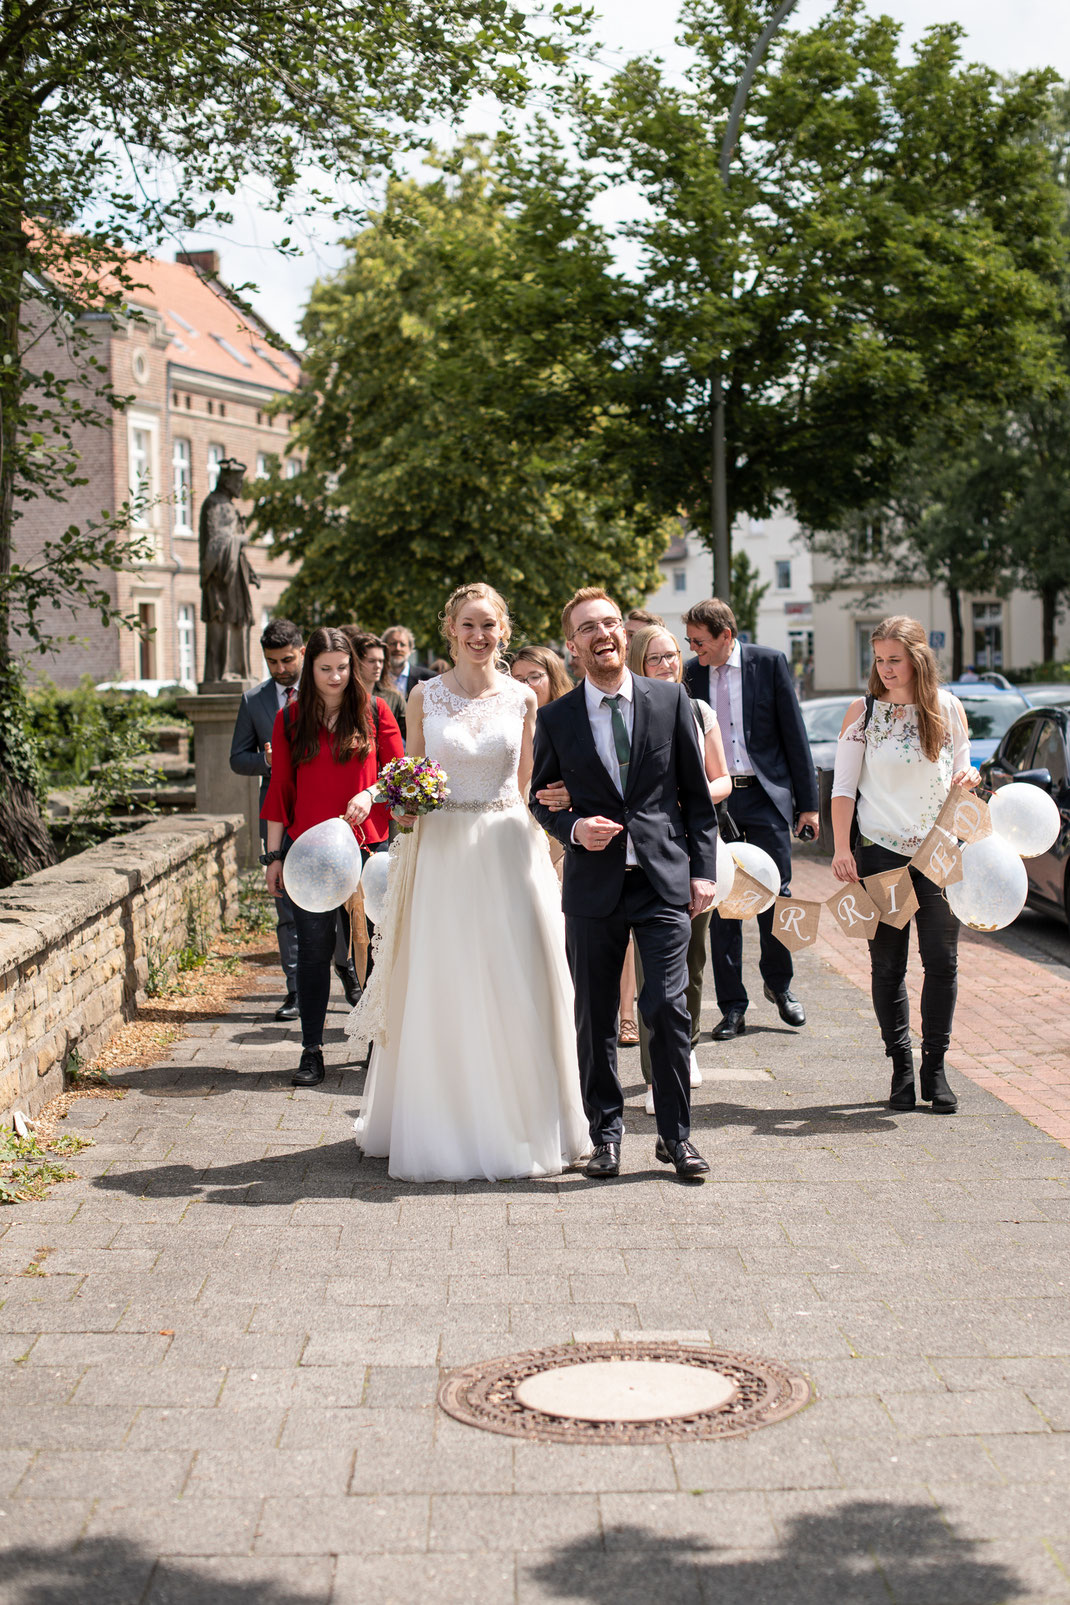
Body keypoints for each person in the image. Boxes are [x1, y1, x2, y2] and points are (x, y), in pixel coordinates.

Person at [346, 584, 589, 1181]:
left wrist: (563, 823)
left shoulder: (524, 699)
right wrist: (397, 806)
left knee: (518, 975)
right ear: (450, 630)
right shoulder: (423, 696)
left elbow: (534, 786)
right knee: (446, 977)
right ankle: (443, 1125)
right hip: (444, 853)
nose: (479, 636)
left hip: (509, 848)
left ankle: (527, 1122)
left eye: (489, 626)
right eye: (468, 625)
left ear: (503, 632)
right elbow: (411, 776)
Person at [530, 588, 720, 1181]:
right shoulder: (557, 717)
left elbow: (696, 797)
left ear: (624, 634)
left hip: (662, 880)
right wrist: (571, 825)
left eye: (611, 623)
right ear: (573, 644)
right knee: (596, 1017)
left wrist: (704, 870)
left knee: (666, 1008)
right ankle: (605, 1136)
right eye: (588, 627)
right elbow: (542, 798)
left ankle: (675, 1136)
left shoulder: (669, 700)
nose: (603, 633)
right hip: (593, 887)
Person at [830, 616, 978, 1113]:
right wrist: (841, 849)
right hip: (880, 851)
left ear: (917, 659)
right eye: (879, 659)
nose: (886, 669)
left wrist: (969, 776)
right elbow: (844, 787)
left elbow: (961, 765)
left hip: (938, 851)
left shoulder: (946, 706)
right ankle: (900, 1068)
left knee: (942, 961)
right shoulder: (864, 712)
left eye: (895, 659)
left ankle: (935, 1070)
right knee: (887, 964)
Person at [262, 627, 403, 1088]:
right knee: (315, 951)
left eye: (343, 668)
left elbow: (399, 775)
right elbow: (280, 791)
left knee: (376, 952)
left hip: (367, 847)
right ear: (310, 669)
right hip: (309, 855)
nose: (336, 677)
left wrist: (370, 792)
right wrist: (273, 857)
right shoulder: (289, 720)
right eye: (326, 669)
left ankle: (376, 1045)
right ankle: (311, 1050)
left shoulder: (375, 710)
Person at [682, 599, 819, 1040]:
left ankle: (781, 986)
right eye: (690, 641)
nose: (694, 649)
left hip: (765, 796)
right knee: (724, 902)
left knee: (776, 894)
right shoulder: (691, 674)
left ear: (726, 635)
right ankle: (732, 1007)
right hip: (716, 800)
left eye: (700, 641)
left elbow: (794, 736)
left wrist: (808, 805)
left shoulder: (769, 663)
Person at [628, 624, 732, 1114]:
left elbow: (722, 780)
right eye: (656, 659)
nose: (668, 665)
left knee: (692, 961)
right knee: (654, 968)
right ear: (638, 665)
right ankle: (656, 1077)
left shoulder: (698, 709)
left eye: (673, 656)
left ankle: (685, 1047)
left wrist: (684, 801)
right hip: (647, 853)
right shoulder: (627, 712)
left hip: (694, 847)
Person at [343, 628, 406, 734]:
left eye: (381, 661)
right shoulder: (342, 697)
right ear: (356, 662)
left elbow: (411, 734)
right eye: (371, 661)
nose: (378, 666)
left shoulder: (394, 698)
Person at [380, 625, 434, 702]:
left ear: (410, 649)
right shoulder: (376, 678)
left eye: (402, 644)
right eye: (393, 644)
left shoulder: (428, 679)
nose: (398, 648)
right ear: (384, 648)